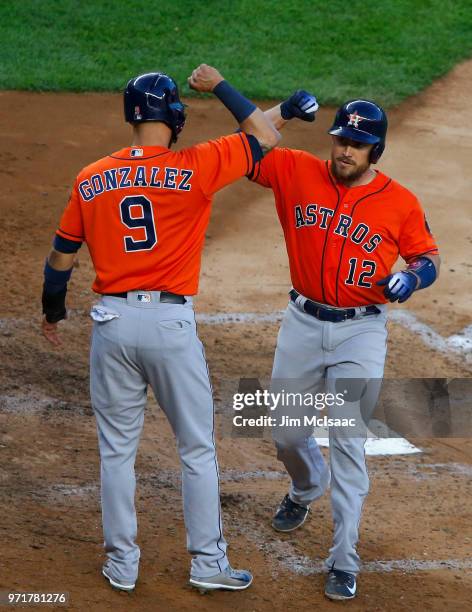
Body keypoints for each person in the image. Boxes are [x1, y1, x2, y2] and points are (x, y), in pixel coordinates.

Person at [41, 64, 280, 593]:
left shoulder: (91, 175)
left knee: (116, 451)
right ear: (173, 116)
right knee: (196, 447)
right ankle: (208, 564)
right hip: (170, 325)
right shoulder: (196, 164)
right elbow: (263, 134)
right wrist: (219, 86)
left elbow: (60, 258)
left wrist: (52, 311)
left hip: (112, 323)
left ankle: (122, 565)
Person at [249, 93, 440, 600]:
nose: (345, 151)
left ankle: (343, 558)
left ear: (375, 150)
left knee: (349, 439)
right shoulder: (296, 171)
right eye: (341, 141)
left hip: (361, 331)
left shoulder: (400, 202)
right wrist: (280, 109)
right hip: (302, 322)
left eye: (357, 144)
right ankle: (307, 486)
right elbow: (250, 142)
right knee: (286, 432)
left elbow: (427, 257)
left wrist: (412, 278)